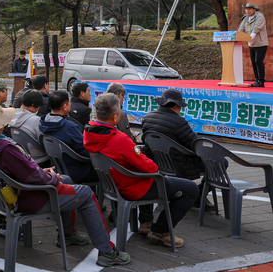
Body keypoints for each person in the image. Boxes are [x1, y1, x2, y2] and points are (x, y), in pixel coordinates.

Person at [0, 99, 129, 267]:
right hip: (31, 196)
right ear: (0, 123)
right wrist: (50, 177)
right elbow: (32, 177)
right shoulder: (6, 149)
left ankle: (68, 234)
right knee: (87, 193)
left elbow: (20, 172)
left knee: (66, 180)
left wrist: (43, 173)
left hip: (7, 195)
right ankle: (107, 252)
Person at [84, 93, 198, 248]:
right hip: (133, 187)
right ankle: (160, 231)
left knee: (151, 176)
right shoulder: (120, 139)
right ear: (116, 116)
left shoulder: (88, 132)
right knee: (191, 189)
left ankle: (146, 222)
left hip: (112, 184)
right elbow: (151, 168)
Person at [141, 88, 212, 210]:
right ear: (175, 106)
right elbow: (195, 143)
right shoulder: (179, 121)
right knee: (220, 163)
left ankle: (197, 195)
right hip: (180, 164)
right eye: (180, 107)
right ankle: (199, 194)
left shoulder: (148, 117)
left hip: (158, 162)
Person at [40, 90, 96, 183]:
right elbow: (84, 150)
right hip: (77, 171)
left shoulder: (43, 122)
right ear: (64, 107)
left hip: (56, 167)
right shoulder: (69, 127)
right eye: (69, 102)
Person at [8, 89, 50, 167]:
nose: (38, 109)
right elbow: (46, 143)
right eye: (39, 107)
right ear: (33, 105)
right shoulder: (36, 121)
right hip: (39, 160)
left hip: (21, 157)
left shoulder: (11, 116)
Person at [238, 2, 268, 87]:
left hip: (261, 43)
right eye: (246, 9)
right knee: (253, 63)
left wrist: (250, 37)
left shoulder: (260, 16)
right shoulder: (245, 18)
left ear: (254, 9)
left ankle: (261, 81)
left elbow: (257, 28)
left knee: (258, 61)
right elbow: (241, 29)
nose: (247, 11)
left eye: (249, 9)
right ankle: (257, 80)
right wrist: (236, 36)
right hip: (251, 44)